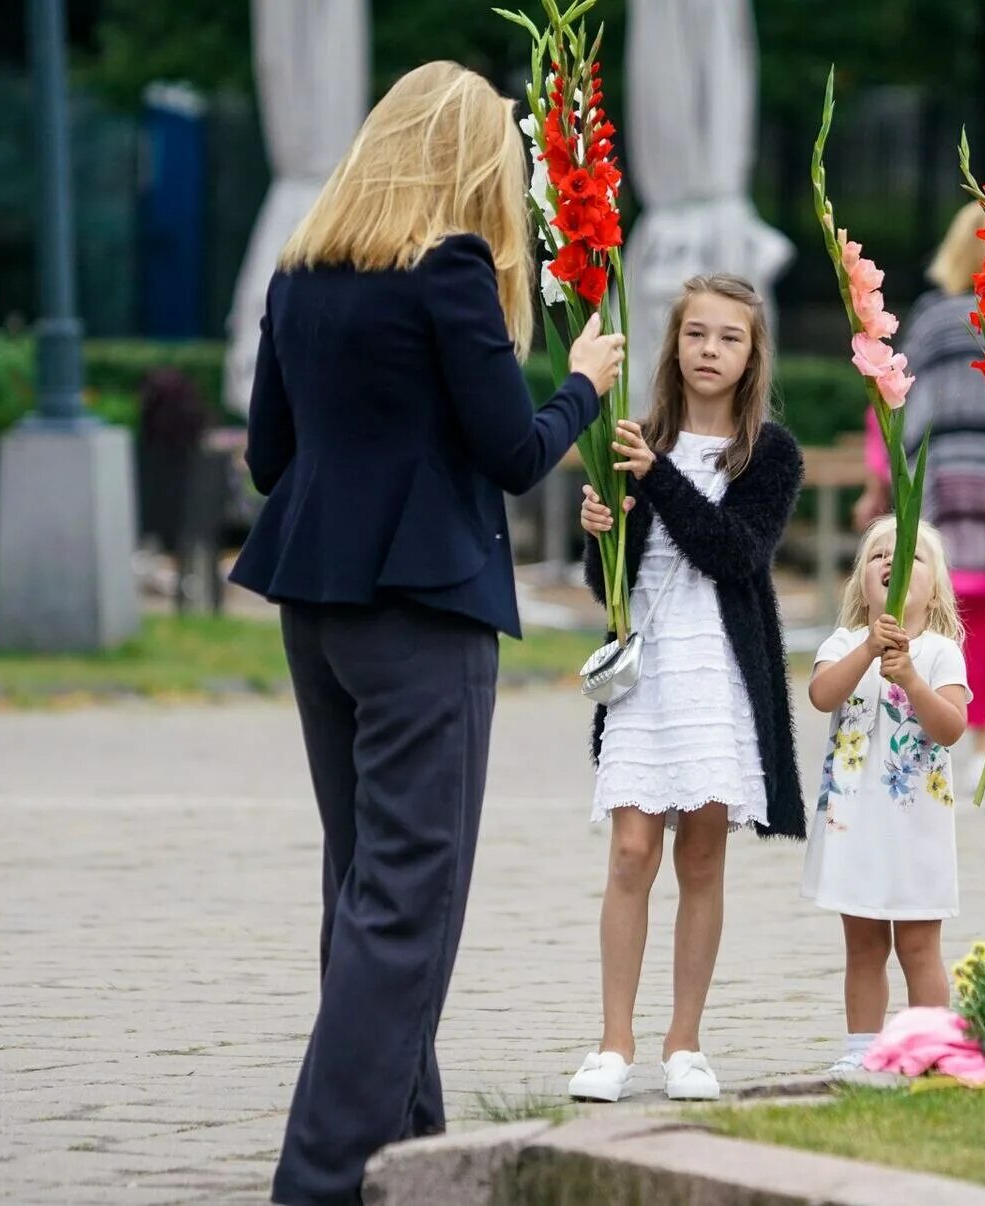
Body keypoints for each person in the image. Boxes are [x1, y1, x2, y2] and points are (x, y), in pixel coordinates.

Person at [229, 62, 625, 1205]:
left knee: (364, 882)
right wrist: (586, 382)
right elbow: (512, 452)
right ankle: (320, 1178)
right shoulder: (450, 270)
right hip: (425, 610)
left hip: (317, 606)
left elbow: (266, 460)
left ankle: (409, 1137)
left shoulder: (300, 271)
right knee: (409, 897)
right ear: (469, 158)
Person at [568, 274, 805, 1104]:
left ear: (752, 354)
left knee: (702, 856)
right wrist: (598, 528)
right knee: (633, 851)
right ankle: (611, 1043)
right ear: (673, 344)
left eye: (728, 338)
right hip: (649, 669)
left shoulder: (768, 453)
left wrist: (656, 481)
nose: (709, 350)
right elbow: (612, 581)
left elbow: (734, 552)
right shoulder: (634, 436)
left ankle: (685, 1044)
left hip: (722, 671)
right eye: (696, 334)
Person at [855, 202, 985, 779]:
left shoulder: (930, 319)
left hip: (946, 477)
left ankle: (972, 735)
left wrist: (883, 479)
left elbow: (893, 401)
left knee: (963, 607)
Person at [802, 516, 970, 1074]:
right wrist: (869, 650)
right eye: (878, 555)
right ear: (860, 581)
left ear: (936, 589)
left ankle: (934, 1051)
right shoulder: (843, 642)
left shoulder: (942, 652)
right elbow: (822, 695)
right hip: (855, 826)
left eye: (910, 557)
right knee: (864, 946)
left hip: (916, 827)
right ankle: (863, 1053)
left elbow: (951, 728)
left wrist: (912, 680)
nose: (891, 563)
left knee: (919, 946)